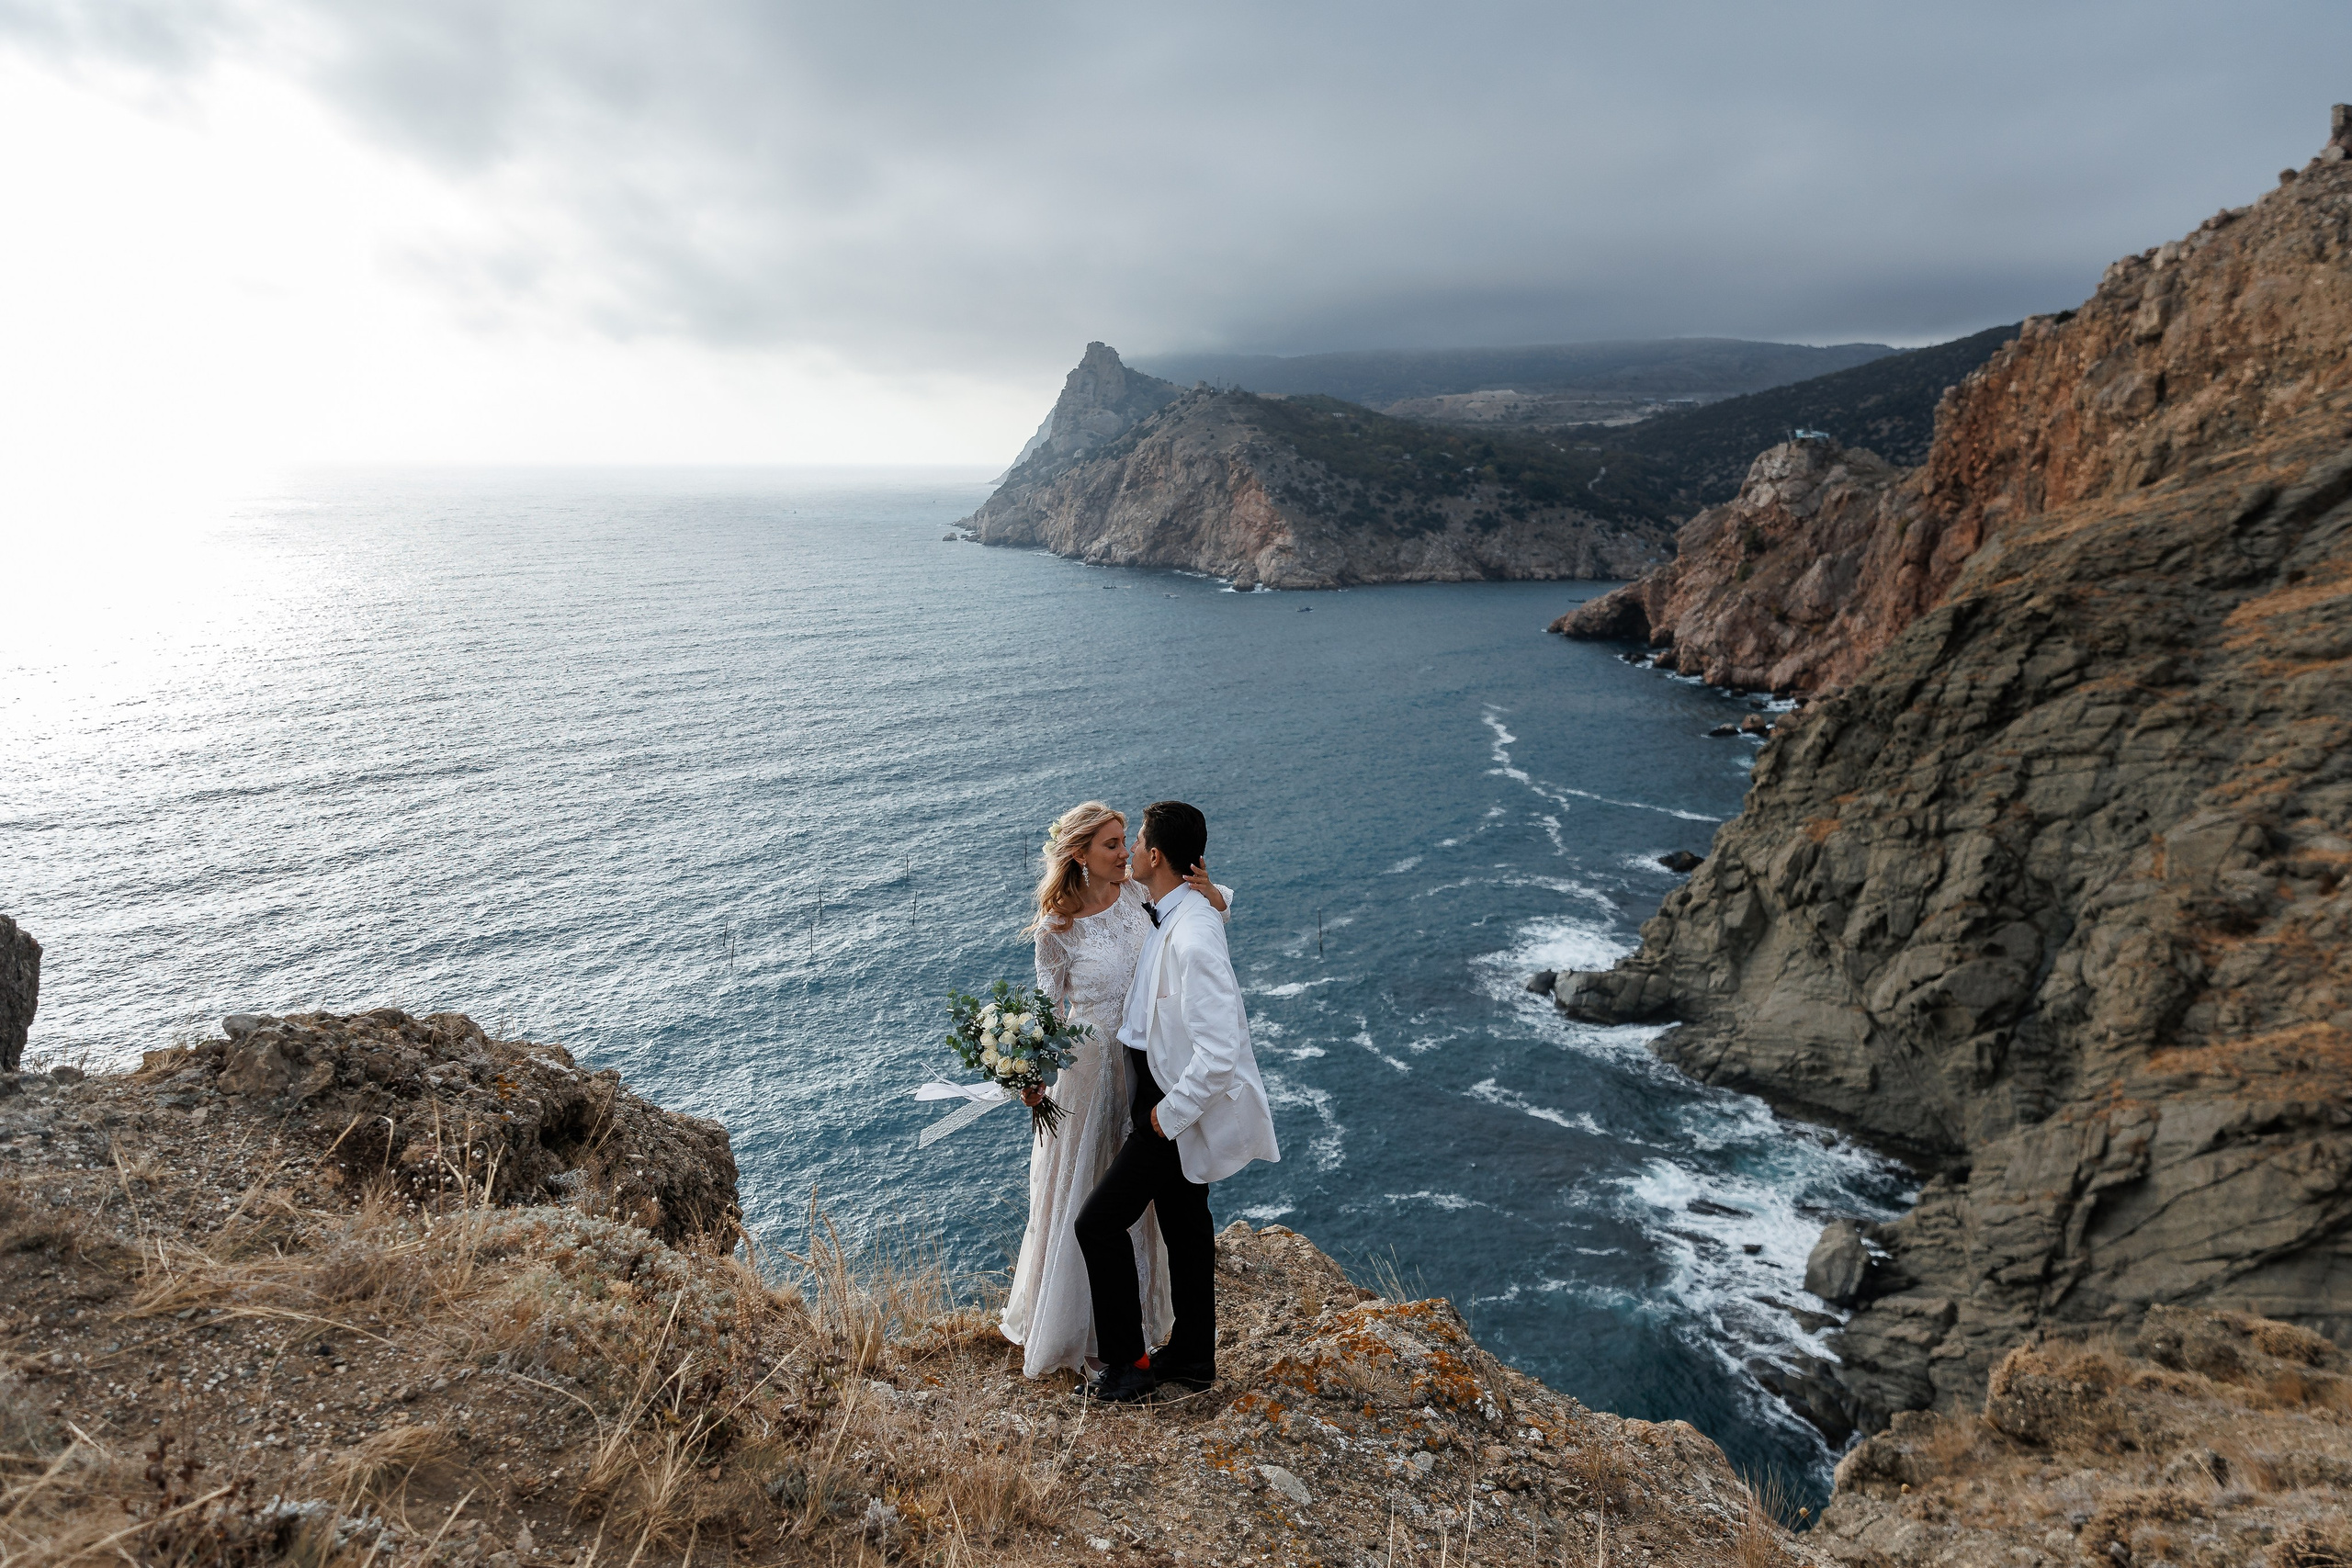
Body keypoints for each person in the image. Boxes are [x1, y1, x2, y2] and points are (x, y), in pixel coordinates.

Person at [1000, 802, 1230, 1379]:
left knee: (1143, 1203)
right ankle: (1090, 1336)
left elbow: (1190, 923)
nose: (1125, 852)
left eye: (1127, 840)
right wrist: (1029, 1072)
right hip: (1087, 1073)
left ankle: (1144, 1338)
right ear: (1080, 855)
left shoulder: (1136, 896)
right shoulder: (1057, 928)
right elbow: (1048, 1012)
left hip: (1146, 1067)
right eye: (1110, 844)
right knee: (1086, 1193)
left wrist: (1215, 895)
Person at [1076, 800, 1279, 1402]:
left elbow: (1219, 1051)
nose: (1131, 850)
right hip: (1159, 1089)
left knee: (1098, 1223)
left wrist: (1166, 1116)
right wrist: (1217, 895)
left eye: (1137, 841)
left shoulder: (1192, 936)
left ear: (1158, 856)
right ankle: (1192, 1356)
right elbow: (1214, 906)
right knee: (1186, 1225)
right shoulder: (1181, 907)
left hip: (1169, 1101)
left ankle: (1128, 1365)